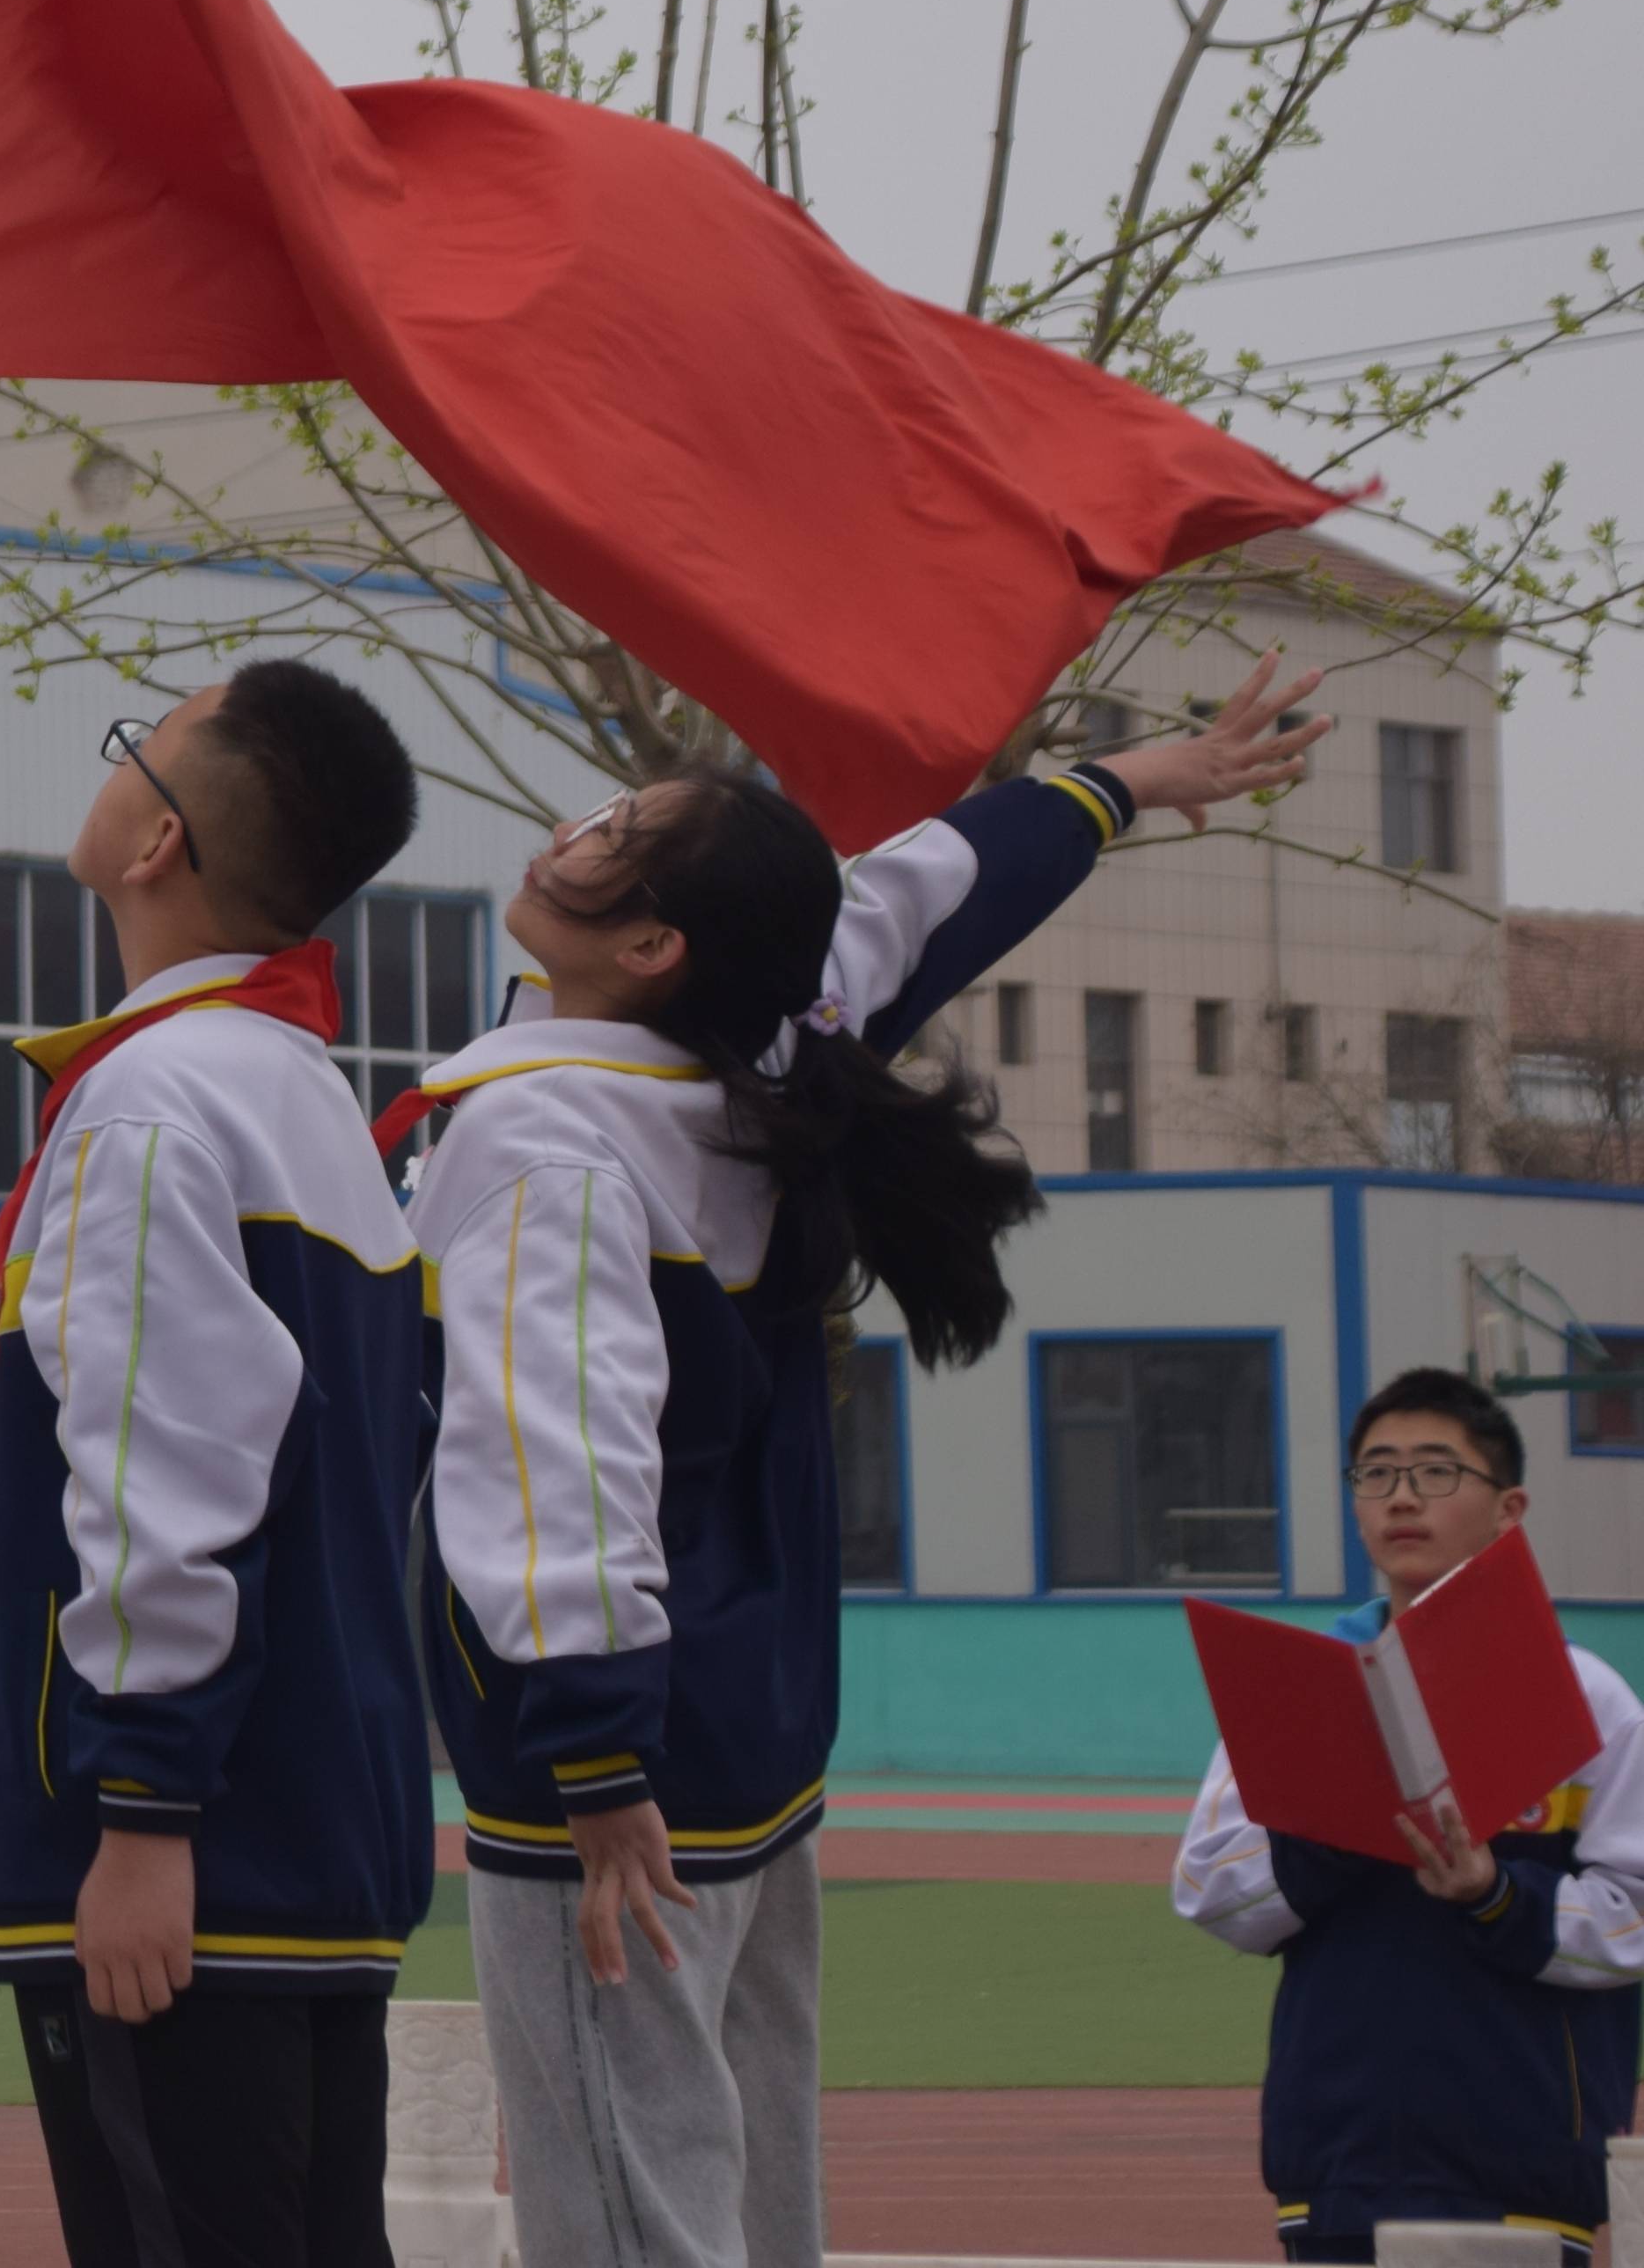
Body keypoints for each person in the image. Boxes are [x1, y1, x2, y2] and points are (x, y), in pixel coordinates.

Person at [408, 658, 1330, 2268]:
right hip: (757, 1738)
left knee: (626, 2203)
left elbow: (556, 1451)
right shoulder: (779, 1036)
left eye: (615, 831)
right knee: (746, 2182)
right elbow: (936, 891)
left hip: (619, 1765)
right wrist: (1126, 782)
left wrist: (594, 1758)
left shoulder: (542, 1138)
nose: (574, 824)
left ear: (649, 948)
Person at [0, 658, 439, 2268]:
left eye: (137, 748)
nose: (111, 769)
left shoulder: (150, 1106)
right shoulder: (302, 1096)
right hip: (319, 1822)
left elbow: (168, 1478)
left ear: (158, 842)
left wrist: (144, 1810)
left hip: (195, 1855)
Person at [1178, 1368, 1644, 2264]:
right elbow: (1210, 1894)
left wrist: (1494, 1893)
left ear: (1509, 1508)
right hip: (1339, 2165)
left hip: (1517, 2169)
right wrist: (1336, 1826)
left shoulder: (1585, 1698)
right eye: (1376, 1472)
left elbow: (1634, 1917)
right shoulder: (1296, 1690)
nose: (1401, 1497)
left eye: (1437, 1472)